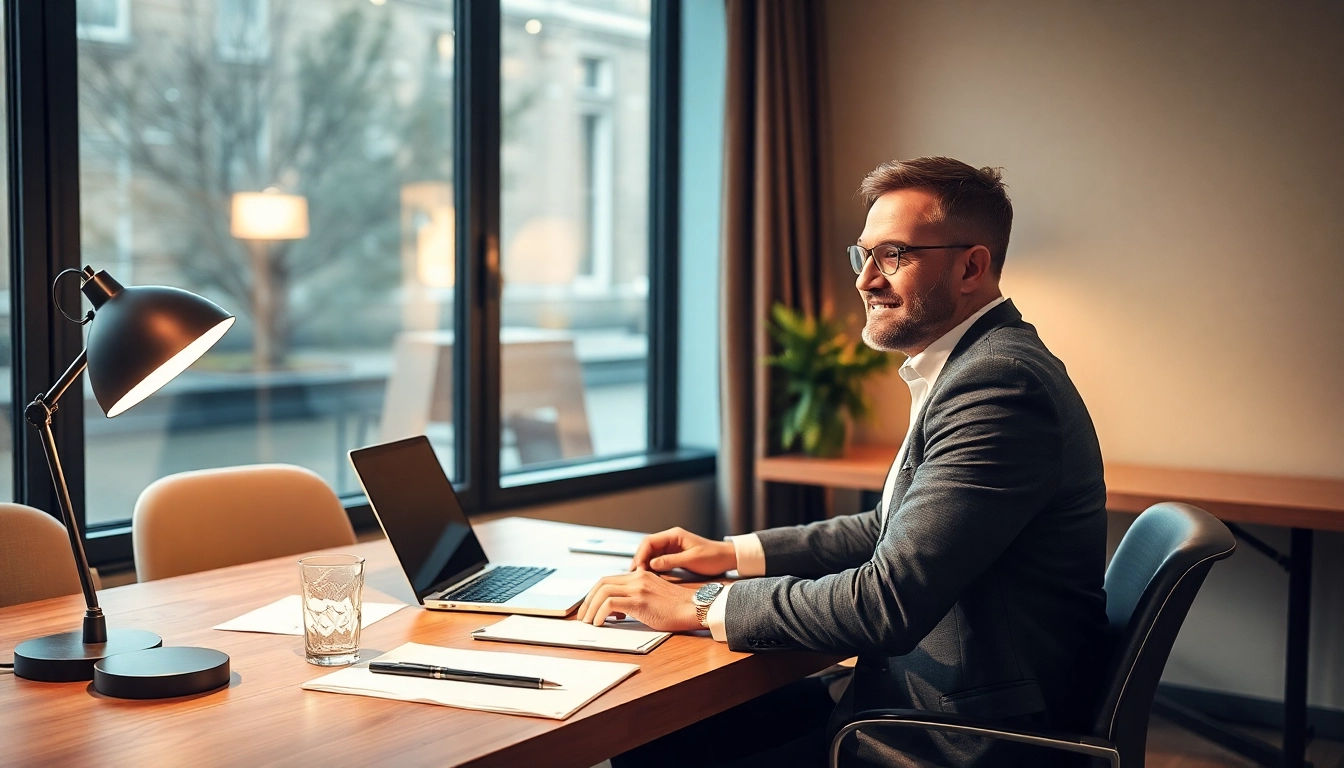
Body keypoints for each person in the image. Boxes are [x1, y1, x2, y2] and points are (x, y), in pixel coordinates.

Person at [578, 157, 1110, 767]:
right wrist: (731, 553)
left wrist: (697, 606)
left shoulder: (998, 385)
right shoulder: (976, 367)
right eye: (864, 255)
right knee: (664, 735)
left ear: (971, 266)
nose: (864, 281)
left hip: (961, 734)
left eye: (894, 255)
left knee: (656, 745)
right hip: (926, 700)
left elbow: (888, 602)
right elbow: (885, 529)